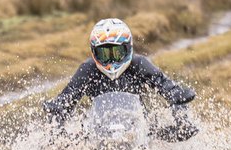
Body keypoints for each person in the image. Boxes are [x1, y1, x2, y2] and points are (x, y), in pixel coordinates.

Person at [43, 18, 198, 141]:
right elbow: (67, 98)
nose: (111, 61)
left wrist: (181, 119)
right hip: (98, 134)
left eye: (117, 52)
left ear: (128, 47)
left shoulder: (139, 64)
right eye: (104, 53)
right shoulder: (88, 69)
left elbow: (167, 87)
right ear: (94, 52)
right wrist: (57, 127)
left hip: (139, 132)